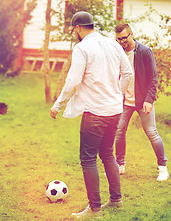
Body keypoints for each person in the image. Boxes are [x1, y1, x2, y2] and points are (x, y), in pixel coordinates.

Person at [50, 11, 133, 218]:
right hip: (114, 111)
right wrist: (117, 95)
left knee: (88, 159)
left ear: (78, 28)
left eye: (73, 30)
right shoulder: (113, 44)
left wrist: (58, 105)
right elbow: (128, 73)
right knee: (107, 154)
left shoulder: (82, 48)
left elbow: (73, 81)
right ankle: (116, 200)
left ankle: (94, 209)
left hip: (95, 112)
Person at [114, 23, 169, 181]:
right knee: (119, 131)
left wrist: (149, 100)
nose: (122, 42)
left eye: (125, 38)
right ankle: (120, 165)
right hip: (125, 101)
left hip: (143, 100)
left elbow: (153, 78)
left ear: (132, 34)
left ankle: (163, 168)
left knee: (151, 132)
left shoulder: (144, 51)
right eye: (119, 39)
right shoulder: (119, 52)